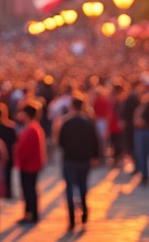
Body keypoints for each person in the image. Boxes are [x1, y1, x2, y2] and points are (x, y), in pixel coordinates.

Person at [56, 95, 100, 231]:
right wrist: (94, 156)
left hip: (70, 159)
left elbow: (61, 142)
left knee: (70, 189)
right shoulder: (88, 122)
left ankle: (72, 219)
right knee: (83, 186)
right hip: (84, 160)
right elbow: (95, 141)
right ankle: (84, 211)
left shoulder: (66, 123)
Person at [14, 103, 46, 225]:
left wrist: (18, 153)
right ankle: (30, 213)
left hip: (29, 165)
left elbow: (26, 149)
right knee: (29, 189)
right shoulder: (32, 127)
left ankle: (31, 214)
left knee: (29, 190)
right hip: (30, 164)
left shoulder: (31, 129)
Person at [132, 87, 149, 185]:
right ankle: (146, 175)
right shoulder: (143, 106)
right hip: (145, 132)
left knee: (144, 155)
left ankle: (147, 175)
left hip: (145, 132)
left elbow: (139, 121)